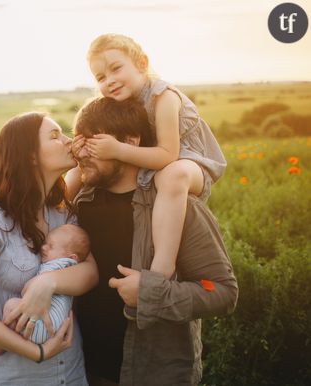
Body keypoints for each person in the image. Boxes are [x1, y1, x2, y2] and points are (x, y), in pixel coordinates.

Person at [72, 97, 238, 385]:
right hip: (81, 372)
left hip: (153, 373)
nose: (83, 153)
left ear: (130, 141)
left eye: (94, 142)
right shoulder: (80, 202)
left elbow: (221, 292)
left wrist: (151, 294)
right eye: (80, 142)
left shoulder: (179, 209)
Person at [66, 34, 227, 316]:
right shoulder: (122, 101)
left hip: (191, 162)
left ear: (142, 63)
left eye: (116, 69)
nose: (109, 81)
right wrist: (82, 148)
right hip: (157, 165)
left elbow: (167, 154)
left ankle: (160, 270)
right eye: (100, 76)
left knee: (172, 176)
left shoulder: (163, 97)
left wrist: (115, 149)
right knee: (76, 176)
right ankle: (52, 207)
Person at [0, 112, 99, 385]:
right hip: (9, 375)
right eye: (55, 136)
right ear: (30, 155)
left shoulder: (61, 214)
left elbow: (90, 272)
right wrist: (36, 351)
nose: (68, 141)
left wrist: (48, 282)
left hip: (67, 372)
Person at [0, 224, 91, 356]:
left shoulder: (58, 265)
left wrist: (33, 286)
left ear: (72, 257)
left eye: (51, 246)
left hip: (43, 325)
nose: (43, 247)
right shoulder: (72, 267)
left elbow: (28, 290)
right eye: (45, 243)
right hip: (54, 329)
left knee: (12, 305)